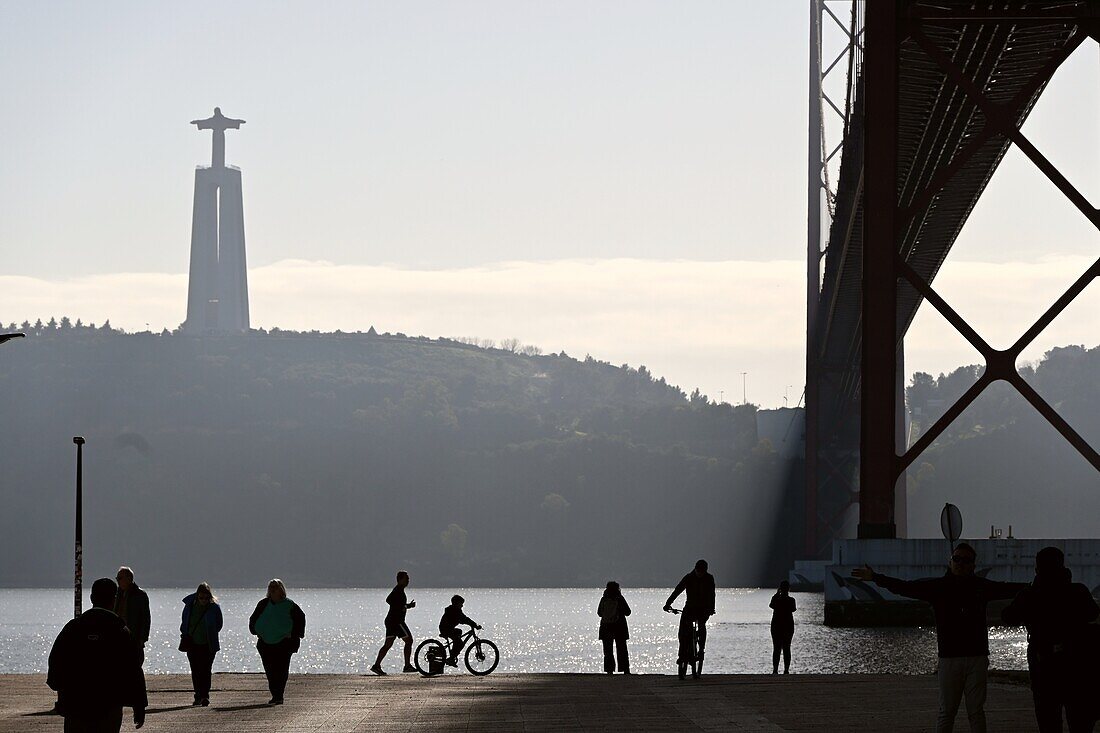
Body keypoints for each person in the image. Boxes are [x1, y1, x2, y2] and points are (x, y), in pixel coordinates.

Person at [852, 542, 1024, 733]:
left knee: (968, 712)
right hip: (958, 658)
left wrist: (875, 577)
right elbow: (905, 587)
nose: (960, 563)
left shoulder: (968, 587)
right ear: (950, 562)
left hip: (972, 658)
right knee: (952, 712)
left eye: (965, 560)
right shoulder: (956, 587)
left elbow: (1010, 588)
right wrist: (876, 577)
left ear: (972, 566)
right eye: (957, 559)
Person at [1001, 546, 1100, 733]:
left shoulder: (1030, 594)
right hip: (1076, 662)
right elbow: (1092, 613)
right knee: (1079, 720)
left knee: (1048, 719)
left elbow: (1008, 616)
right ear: (1062, 566)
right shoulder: (1077, 591)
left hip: (1043, 661)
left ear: (1037, 569)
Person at [47, 577, 147, 732]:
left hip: (77, 703)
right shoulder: (120, 630)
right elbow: (134, 668)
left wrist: (60, 690)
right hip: (109, 704)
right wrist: (139, 705)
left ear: (92, 598)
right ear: (114, 600)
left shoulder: (74, 627)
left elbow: (56, 661)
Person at [248, 579, 306, 705]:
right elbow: (253, 620)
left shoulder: (290, 605)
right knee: (270, 670)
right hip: (265, 644)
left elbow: (301, 619)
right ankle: (275, 694)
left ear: (281, 589)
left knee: (282, 669)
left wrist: (294, 634)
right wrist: (256, 631)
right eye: (271, 587)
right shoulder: (263, 604)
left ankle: (279, 695)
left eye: (276, 587)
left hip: (284, 644)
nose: (273, 589)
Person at [663, 559, 716, 679]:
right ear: (695, 569)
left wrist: (712, 608)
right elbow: (677, 590)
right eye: (699, 571)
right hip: (690, 608)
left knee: (701, 624)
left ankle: (701, 648)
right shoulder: (688, 577)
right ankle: (682, 656)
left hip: (703, 609)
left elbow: (712, 594)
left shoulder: (709, 578)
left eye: (702, 572)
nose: (700, 574)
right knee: (682, 632)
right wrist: (668, 604)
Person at [179, 582, 223, 706]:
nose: (204, 600)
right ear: (197, 596)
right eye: (201, 598)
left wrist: (211, 633)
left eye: (206, 598)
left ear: (210, 597)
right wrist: (185, 633)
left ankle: (204, 696)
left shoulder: (214, 608)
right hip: (192, 643)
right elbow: (184, 621)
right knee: (196, 670)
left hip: (208, 644)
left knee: (205, 670)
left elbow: (219, 624)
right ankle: (198, 695)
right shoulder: (189, 606)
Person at [370, 570, 416, 675]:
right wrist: (403, 606)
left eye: (408, 578)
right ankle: (407, 666)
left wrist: (407, 605)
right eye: (406, 578)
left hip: (391, 621)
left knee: (388, 644)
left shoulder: (400, 590)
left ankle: (376, 666)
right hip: (396, 621)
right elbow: (389, 600)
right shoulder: (398, 590)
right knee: (409, 641)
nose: (408, 580)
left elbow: (399, 604)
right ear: (400, 580)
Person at [113, 567, 150, 665]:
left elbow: (146, 619)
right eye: (117, 578)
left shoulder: (140, 595)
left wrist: (143, 638)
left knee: (134, 665)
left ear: (129, 578)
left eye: (120, 578)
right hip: (117, 638)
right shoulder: (116, 594)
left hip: (134, 638)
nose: (118, 581)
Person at [597, 581, 631, 674]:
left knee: (608, 651)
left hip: (606, 627)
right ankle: (625, 670)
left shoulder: (604, 599)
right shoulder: (620, 599)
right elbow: (628, 612)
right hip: (620, 627)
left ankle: (609, 670)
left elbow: (599, 613)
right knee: (622, 650)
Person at [439, 595, 480, 666]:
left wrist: (473, 624)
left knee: (459, 632)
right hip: (445, 629)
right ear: (456, 603)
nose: (462, 606)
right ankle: (451, 658)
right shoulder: (454, 611)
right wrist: (474, 625)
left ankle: (453, 654)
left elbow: (464, 619)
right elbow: (464, 619)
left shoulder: (455, 610)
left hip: (448, 628)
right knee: (460, 643)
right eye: (461, 604)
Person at [769, 580, 796, 675]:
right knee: (787, 648)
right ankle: (786, 670)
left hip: (776, 625)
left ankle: (775, 670)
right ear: (789, 589)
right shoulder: (791, 600)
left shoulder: (776, 599)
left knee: (776, 648)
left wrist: (777, 594)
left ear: (780, 588)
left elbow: (771, 605)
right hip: (788, 626)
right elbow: (793, 609)